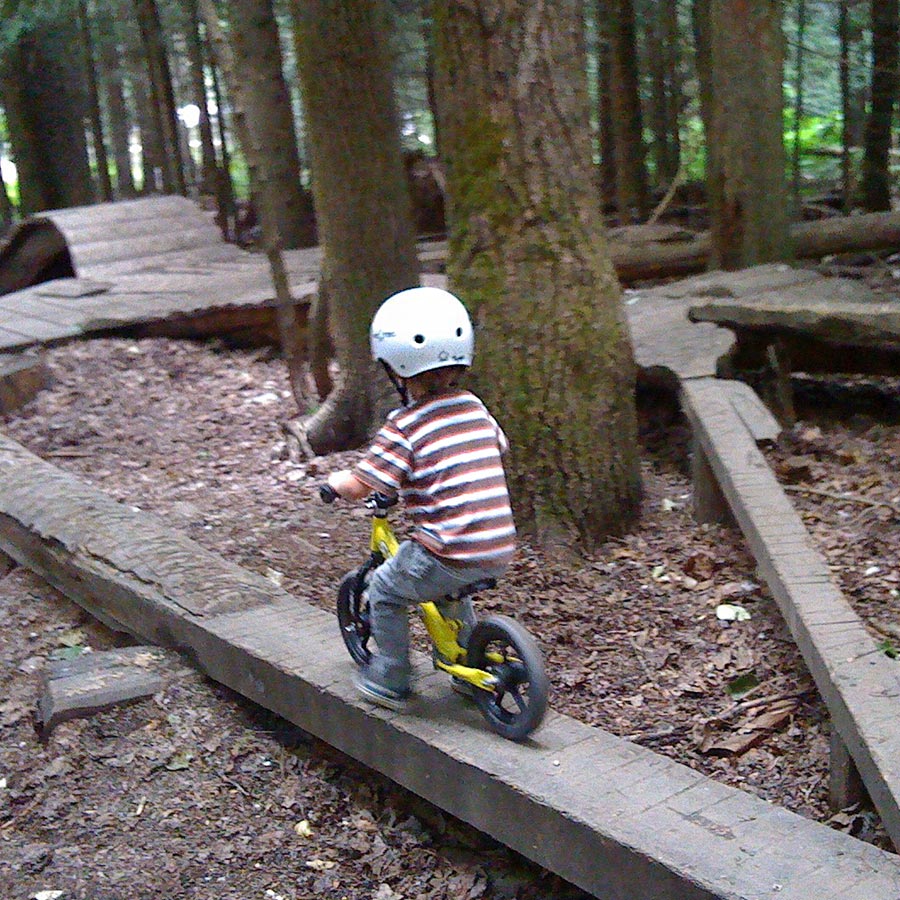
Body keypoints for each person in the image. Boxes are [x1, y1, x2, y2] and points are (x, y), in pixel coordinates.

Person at [326, 286, 516, 710]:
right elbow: (497, 446)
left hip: (450, 548)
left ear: (396, 367)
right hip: (499, 544)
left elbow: (363, 483)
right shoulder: (473, 406)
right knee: (451, 586)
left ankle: (391, 674)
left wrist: (338, 483)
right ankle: (469, 663)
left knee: (386, 588)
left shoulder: (404, 425)